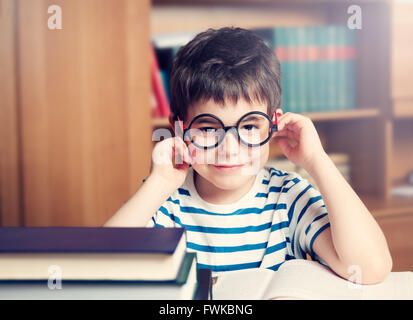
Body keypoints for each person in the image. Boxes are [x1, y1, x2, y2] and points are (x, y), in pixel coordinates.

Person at [104, 27, 392, 284]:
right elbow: (100, 268)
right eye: (208, 128)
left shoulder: (287, 197)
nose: (229, 148)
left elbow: (370, 269)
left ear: (274, 124)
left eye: (250, 126)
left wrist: (317, 160)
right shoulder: (167, 200)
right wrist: (160, 183)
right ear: (179, 129)